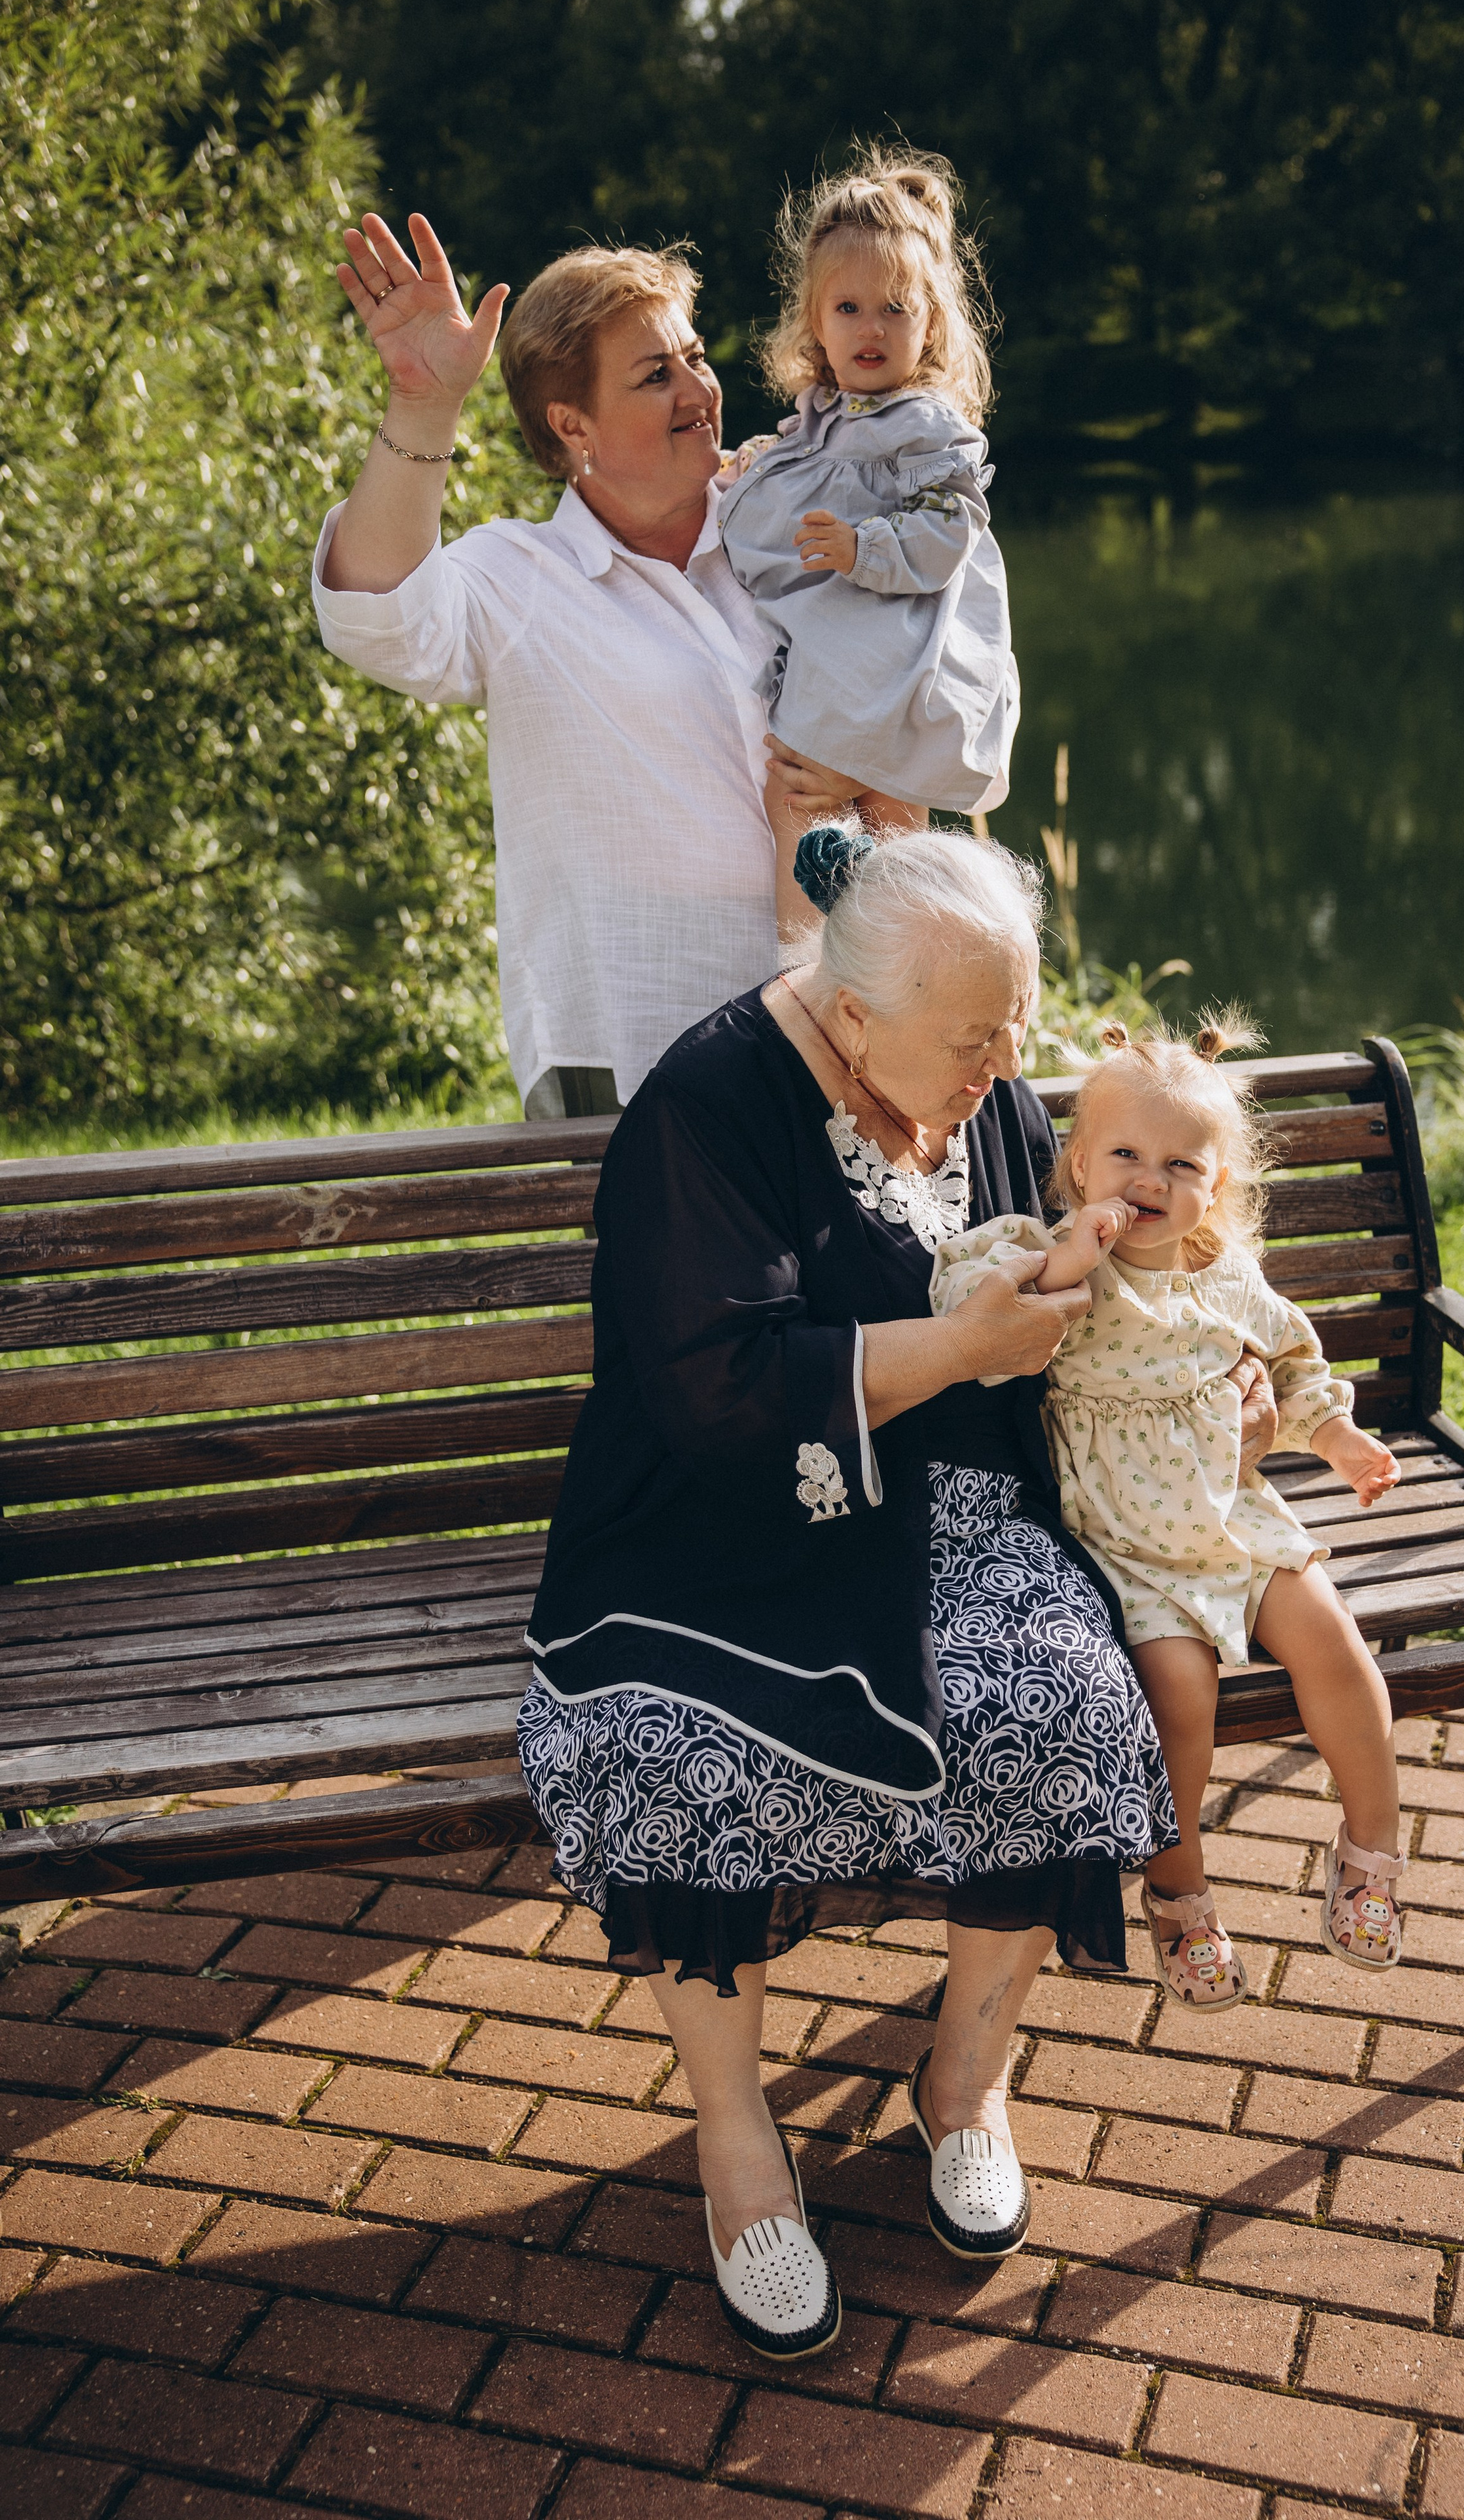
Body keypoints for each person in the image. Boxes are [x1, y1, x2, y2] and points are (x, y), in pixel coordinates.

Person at [516, 827, 1276, 2360]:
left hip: (957, 1499)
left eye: (1015, 1027)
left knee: (1066, 1702)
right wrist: (958, 1350)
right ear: (852, 1013)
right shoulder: (706, 1105)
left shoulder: (982, 1091)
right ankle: (738, 2145)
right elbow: (709, 1388)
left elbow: (1106, 1283)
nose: (1007, 1069)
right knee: (675, 1751)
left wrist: (1221, 1377)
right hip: (720, 1519)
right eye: (975, 1037)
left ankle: (965, 2082)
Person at [311, 212, 928, 1118]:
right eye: (654, 375)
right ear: (573, 427)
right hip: (634, 1049)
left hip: (856, 1030)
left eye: (695, 357)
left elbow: (929, 690)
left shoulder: (802, 524)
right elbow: (376, 617)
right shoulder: (522, 577)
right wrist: (423, 405)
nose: (698, 390)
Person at [929, 1013, 1409, 2014]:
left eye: (1181, 1164)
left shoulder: (1226, 1277)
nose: (1150, 1180)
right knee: (1179, 1700)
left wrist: (1339, 1442)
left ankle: (1371, 1850)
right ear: (1078, 1163)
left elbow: (1294, 1364)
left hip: (1237, 1518)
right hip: (1126, 1547)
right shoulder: (1053, 1257)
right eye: (1125, 1156)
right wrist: (1073, 1250)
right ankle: (1180, 1892)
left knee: (1335, 1645)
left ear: (1214, 1186)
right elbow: (963, 1297)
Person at [716, 147, 1018, 822]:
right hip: (835, 680)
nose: (871, 327)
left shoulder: (926, 428)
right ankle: (802, 900)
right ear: (816, 322)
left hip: (900, 675)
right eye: (848, 307)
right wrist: (753, 462)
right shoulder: (818, 420)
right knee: (794, 804)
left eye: (895, 308)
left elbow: (951, 527)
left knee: (890, 832)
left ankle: (889, 890)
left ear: (930, 323)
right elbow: (807, 471)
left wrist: (865, 547)